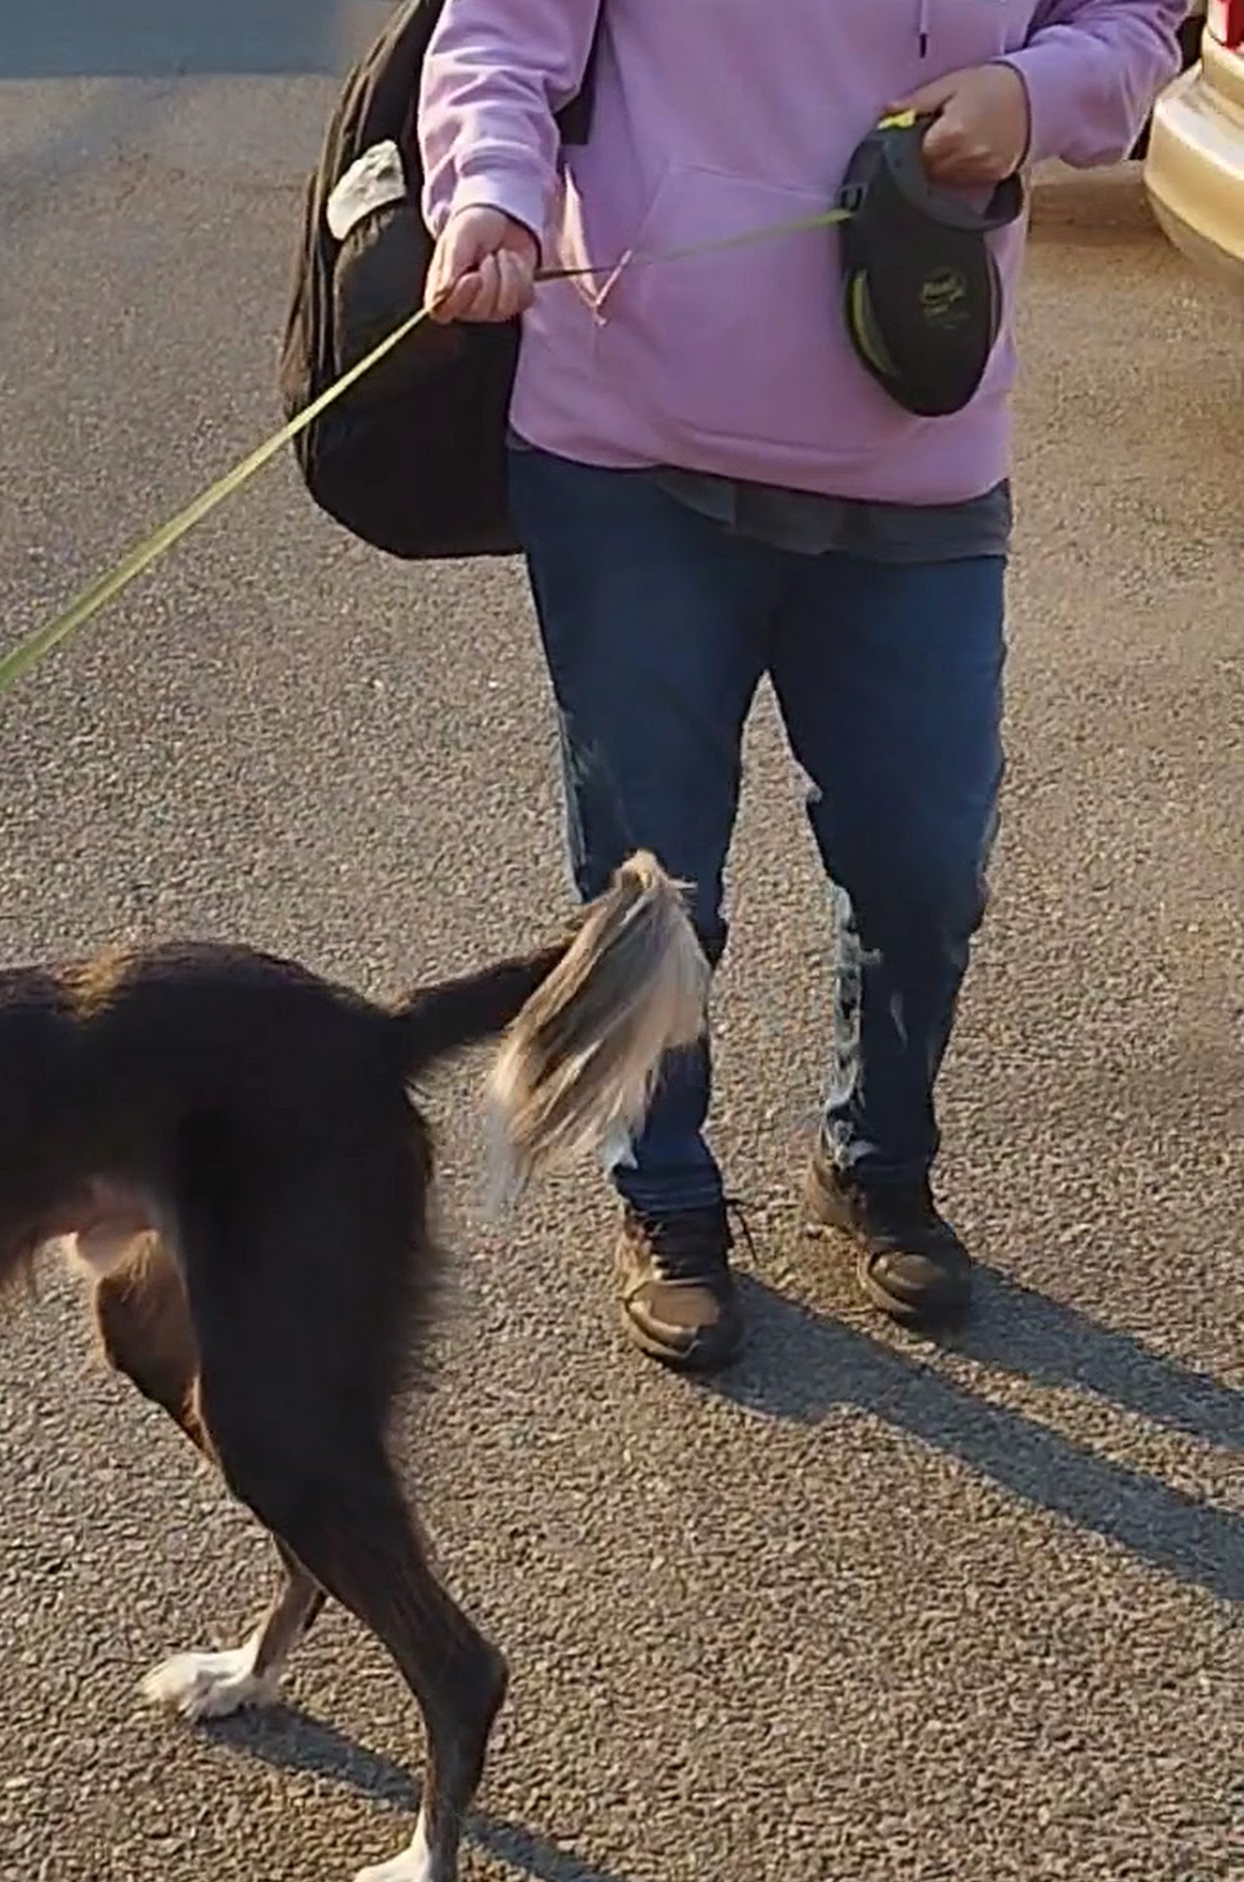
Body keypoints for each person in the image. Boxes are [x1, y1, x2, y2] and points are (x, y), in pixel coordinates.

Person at [416, 0, 1184, 1371]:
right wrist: (492, 196)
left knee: (922, 862)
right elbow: (499, 39)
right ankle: (662, 1193)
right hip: (632, 448)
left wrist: (1037, 91)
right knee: (651, 879)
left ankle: (878, 1162)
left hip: (921, 448)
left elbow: (1132, 22)